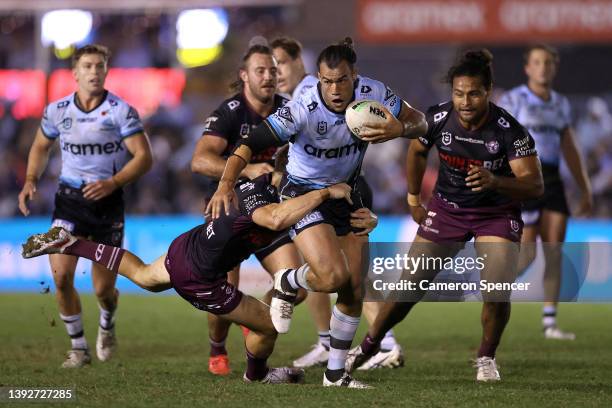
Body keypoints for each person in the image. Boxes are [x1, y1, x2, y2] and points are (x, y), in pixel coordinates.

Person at [207, 37, 427, 388]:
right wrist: (224, 184)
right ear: (318, 79)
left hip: (347, 194)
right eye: (327, 81)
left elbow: (421, 123)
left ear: (355, 76)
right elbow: (248, 143)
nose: (335, 89)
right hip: (303, 193)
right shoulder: (303, 107)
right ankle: (288, 280)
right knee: (333, 276)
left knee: (354, 290)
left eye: (341, 80)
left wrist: (400, 128)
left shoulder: (375, 94)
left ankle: (335, 374)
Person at [22, 160, 354, 384]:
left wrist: (357, 216)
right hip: (200, 275)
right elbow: (275, 219)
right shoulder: (260, 193)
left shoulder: (281, 191)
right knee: (268, 326)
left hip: (188, 247)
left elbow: (304, 216)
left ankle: (71, 243)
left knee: (143, 277)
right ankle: (258, 375)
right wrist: (324, 192)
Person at [346, 49, 544, 381]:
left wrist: (496, 180)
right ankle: (366, 348)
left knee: (496, 292)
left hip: (495, 214)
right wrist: (413, 199)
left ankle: (486, 358)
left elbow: (535, 185)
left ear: (488, 91)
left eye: (474, 94)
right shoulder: (437, 119)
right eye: (458, 93)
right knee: (408, 290)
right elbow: (417, 150)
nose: (465, 101)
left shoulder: (509, 130)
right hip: (447, 210)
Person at [17, 44, 153, 368]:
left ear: (106, 71)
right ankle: (78, 348)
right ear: (75, 73)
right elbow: (39, 146)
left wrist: (113, 182)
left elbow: (144, 157)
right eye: (88, 66)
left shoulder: (121, 111)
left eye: (100, 66)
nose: (94, 72)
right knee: (61, 277)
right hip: (69, 202)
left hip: (107, 204)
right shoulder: (57, 110)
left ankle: (107, 321)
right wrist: (30, 178)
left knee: (103, 289)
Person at [271, 36, 403, 370]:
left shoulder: (314, 94)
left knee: (347, 278)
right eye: (270, 67)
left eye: (281, 63)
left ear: (302, 63)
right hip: (317, 192)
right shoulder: (291, 103)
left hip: (346, 190)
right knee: (328, 271)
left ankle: (383, 343)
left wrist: (397, 128)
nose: (275, 72)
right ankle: (327, 344)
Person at [191, 41, 293, 375]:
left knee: (294, 284)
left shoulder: (290, 110)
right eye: (260, 71)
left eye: (273, 71)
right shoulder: (230, 113)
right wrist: (246, 169)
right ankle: (217, 347)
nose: (268, 77)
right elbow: (200, 160)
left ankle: (255, 316)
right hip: (230, 211)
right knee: (225, 294)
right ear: (244, 76)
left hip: (269, 212)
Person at [498, 45, 593, 340]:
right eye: (538, 62)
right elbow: (498, 137)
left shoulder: (561, 104)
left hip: (552, 179)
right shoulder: (513, 100)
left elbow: (569, 146)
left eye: (548, 62)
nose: (543, 67)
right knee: (525, 255)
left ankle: (550, 322)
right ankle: (493, 296)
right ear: (528, 68)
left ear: (555, 66)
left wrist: (584, 186)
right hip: (524, 177)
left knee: (554, 252)